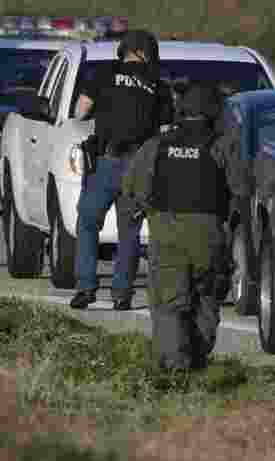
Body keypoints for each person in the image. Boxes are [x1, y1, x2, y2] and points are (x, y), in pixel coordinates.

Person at [120, 84, 247, 371]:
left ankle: (177, 370)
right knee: (206, 300)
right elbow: (242, 190)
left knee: (169, 304)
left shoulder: (157, 145)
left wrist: (146, 211)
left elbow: (133, 189)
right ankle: (197, 363)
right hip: (211, 234)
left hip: (167, 232)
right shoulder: (224, 145)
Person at [71, 29, 174, 311]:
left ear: (125, 50)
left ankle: (85, 289)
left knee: (88, 222)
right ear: (144, 52)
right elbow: (165, 132)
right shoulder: (159, 84)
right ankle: (121, 295)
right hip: (139, 167)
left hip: (105, 162)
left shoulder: (104, 74)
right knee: (129, 231)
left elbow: (80, 111)